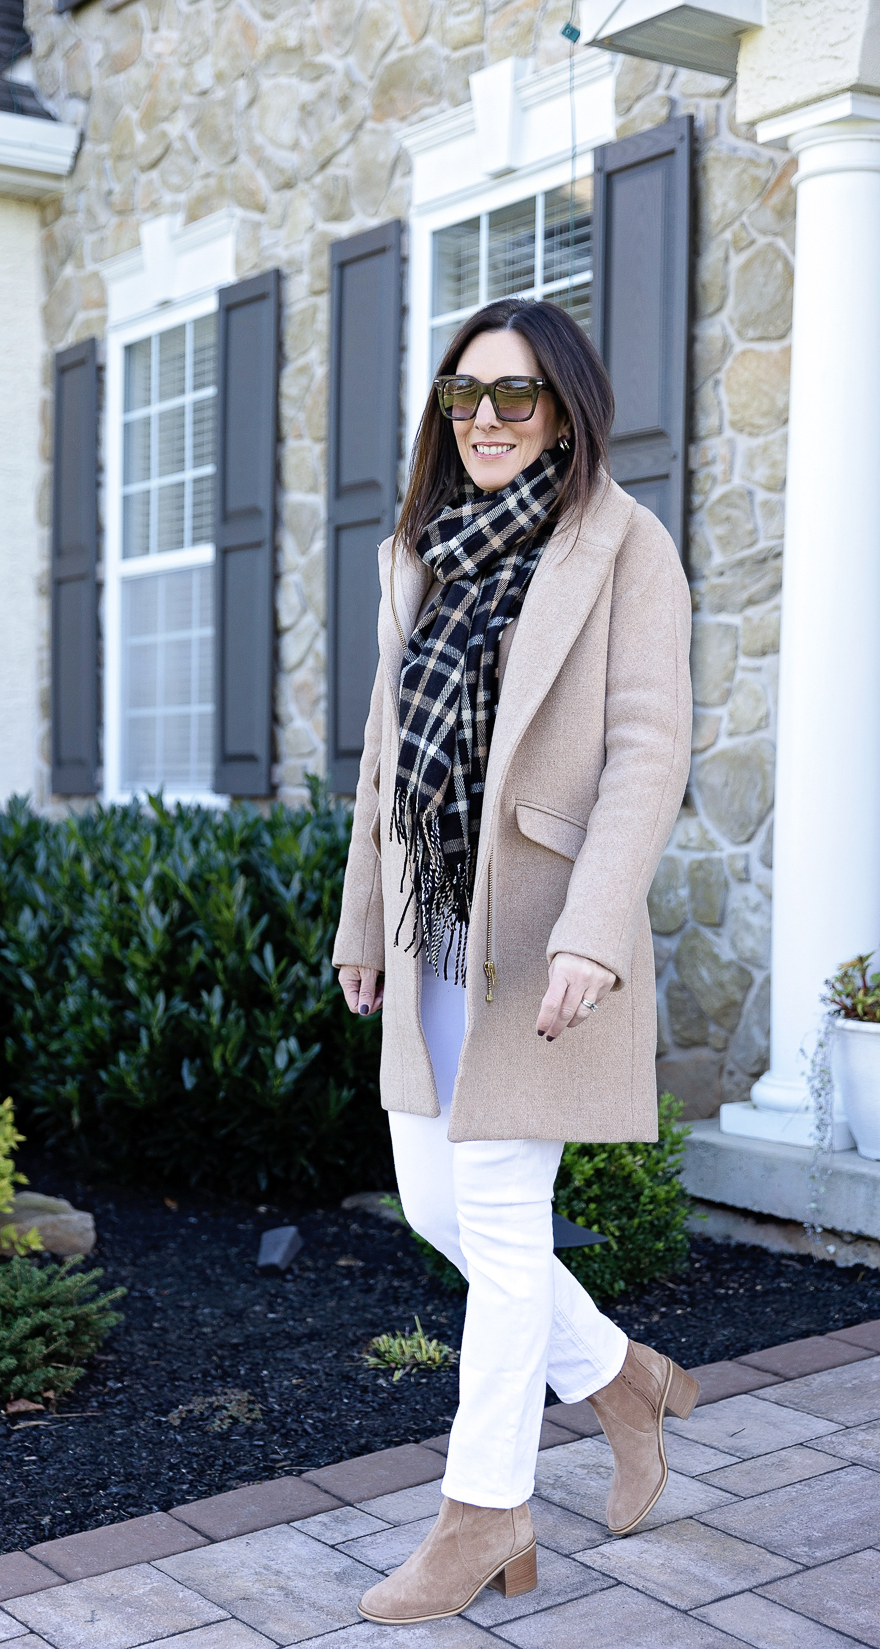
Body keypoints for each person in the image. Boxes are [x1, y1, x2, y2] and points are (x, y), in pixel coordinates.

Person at [334, 296, 697, 1625]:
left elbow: (648, 747)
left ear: (565, 410)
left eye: (516, 396)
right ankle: (619, 1377)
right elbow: (384, 754)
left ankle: (486, 1510)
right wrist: (362, 920)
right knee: (438, 1207)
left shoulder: (624, 546)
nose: (486, 420)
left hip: (541, 931)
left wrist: (596, 928)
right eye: (465, 396)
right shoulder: (420, 548)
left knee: (497, 1216)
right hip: (432, 924)